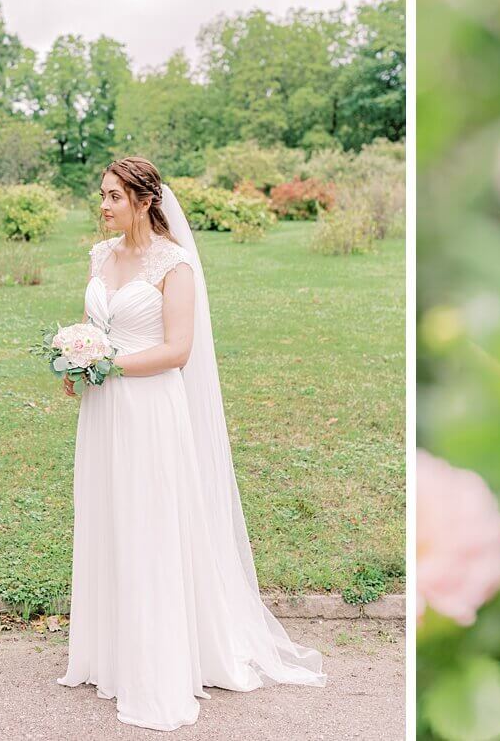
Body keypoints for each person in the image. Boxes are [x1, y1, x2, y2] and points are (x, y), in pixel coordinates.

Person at [56, 156, 326, 731]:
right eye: (101, 195)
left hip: (150, 409)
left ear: (144, 201)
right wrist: (77, 360)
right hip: (103, 411)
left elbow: (178, 350)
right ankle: (112, 654)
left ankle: (160, 661)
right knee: (109, 519)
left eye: (113, 197)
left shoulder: (174, 265)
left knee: (150, 524)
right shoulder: (101, 256)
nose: (103, 206)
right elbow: (93, 327)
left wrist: (107, 364)